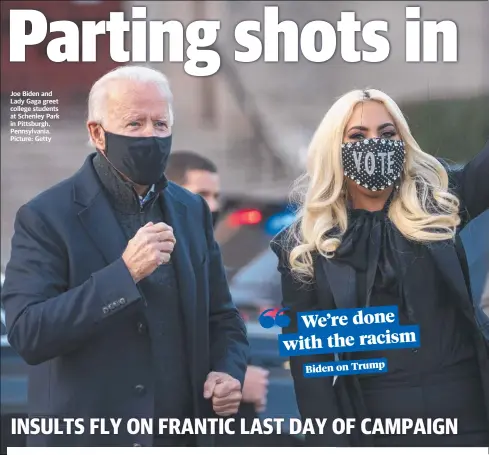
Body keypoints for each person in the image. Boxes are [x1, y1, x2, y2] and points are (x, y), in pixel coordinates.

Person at [1, 65, 249, 448]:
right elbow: (28, 334)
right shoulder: (46, 215)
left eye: (160, 123)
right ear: (97, 133)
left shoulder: (191, 210)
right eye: (134, 124)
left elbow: (222, 316)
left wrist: (227, 370)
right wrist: (124, 274)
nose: (151, 135)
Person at [270, 89, 489, 447]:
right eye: (358, 136)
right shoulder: (305, 244)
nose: (375, 145)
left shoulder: (441, 202)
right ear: (334, 150)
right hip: (379, 428)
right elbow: (311, 366)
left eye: (387, 134)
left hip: (467, 418)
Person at [165, 151, 278, 445]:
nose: (214, 206)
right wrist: (238, 381)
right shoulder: (158, 261)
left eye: (216, 196)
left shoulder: (203, 259)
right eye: (202, 194)